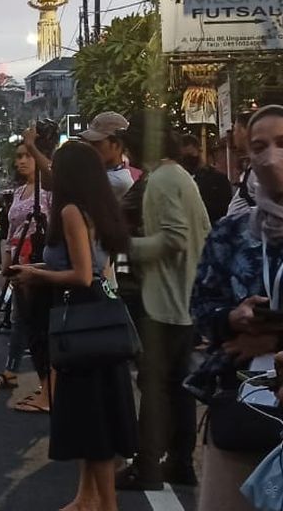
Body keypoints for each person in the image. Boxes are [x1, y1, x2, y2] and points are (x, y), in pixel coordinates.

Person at [8, 142, 136, 511]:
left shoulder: (70, 212)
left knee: (91, 418)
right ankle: (86, 497)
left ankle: (105, 505)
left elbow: (82, 276)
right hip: (98, 317)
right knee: (89, 414)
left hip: (80, 321)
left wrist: (35, 273)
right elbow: (98, 271)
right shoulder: (97, 209)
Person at [189, 105, 283, 510]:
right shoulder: (232, 233)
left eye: (282, 143)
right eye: (259, 147)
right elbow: (200, 307)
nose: (271, 156)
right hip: (242, 406)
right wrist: (232, 317)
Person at [115, 127, 210, 492]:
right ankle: (180, 462)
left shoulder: (162, 180)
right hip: (183, 296)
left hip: (165, 299)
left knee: (154, 386)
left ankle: (148, 466)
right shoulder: (180, 177)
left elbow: (175, 237)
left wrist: (129, 246)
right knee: (177, 386)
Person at [0, 142, 52, 403]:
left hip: (40, 264)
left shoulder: (48, 193)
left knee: (38, 325)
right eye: (19, 157)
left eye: (27, 156)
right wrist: (5, 267)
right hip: (18, 261)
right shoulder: (20, 191)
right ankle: (11, 371)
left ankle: (47, 381)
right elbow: (11, 234)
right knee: (19, 319)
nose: (22, 161)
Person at [176, 133, 233, 228]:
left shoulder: (218, 179)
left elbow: (225, 210)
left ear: (199, 151)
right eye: (183, 157)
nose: (187, 161)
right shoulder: (179, 180)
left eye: (190, 155)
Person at [80, 111, 134, 200]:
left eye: (96, 143)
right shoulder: (102, 172)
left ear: (117, 145)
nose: (90, 147)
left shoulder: (118, 181)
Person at [228, 110, 259, 216]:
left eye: (235, 130)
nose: (233, 135)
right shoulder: (252, 166)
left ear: (244, 131)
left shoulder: (259, 169)